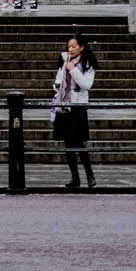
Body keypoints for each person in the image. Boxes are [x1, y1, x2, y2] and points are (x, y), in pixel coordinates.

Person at [51, 32, 97, 189]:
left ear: (81, 47)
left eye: (74, 46)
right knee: (68, 144)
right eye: (69, 46)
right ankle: (75, 178)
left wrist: (73, 70)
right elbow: (58, 80)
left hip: (77, 106)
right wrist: (57, 86)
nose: (70, 49)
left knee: (79, 142)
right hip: (63, 105)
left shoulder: (87, 64)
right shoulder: (64, 60)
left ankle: (89, 175)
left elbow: (86, 84)